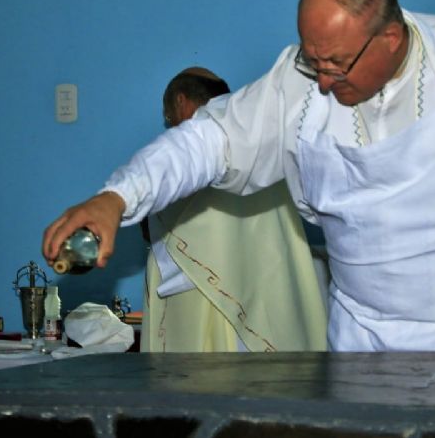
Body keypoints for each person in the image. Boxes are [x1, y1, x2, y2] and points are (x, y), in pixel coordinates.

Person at [43, 0, 435, 365]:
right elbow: (209, 138)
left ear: (392, 40)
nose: (319, 79)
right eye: (311, 58)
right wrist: (117, 195)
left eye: (336, 63)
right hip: (363, 349)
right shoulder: (301, 81)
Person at [139, 67, 327, 352]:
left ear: (180, 101)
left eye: (169, 117)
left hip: (212, 302)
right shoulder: (258, 140)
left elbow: (161, 230)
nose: (172, 125)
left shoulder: (195, 150)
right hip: (269, 306)